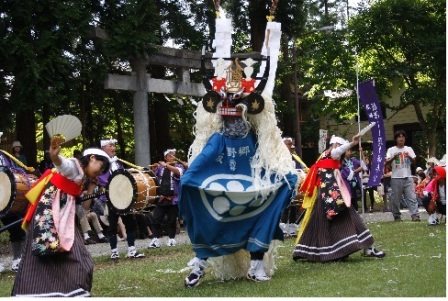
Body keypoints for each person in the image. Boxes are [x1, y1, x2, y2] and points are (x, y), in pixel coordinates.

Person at [11, 141, 110, 297]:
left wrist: (90, 188)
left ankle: (68, 291)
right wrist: (55, 155)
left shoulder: (84, 178)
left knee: (79, 258)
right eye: (101, 167)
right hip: (50, 214)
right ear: (91, 158)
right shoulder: (74, 166)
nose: (100, 172)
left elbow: (84, 207)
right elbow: (62, 164)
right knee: (69, 256)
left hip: (65, 218)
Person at [292, 134, 385, 262]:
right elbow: (337, 152)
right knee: (347, 216)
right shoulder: (331, 153)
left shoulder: (326, 155)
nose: (343, 153)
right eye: (342, 148)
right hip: (329, 192)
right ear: (336, 145)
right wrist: (352, 143)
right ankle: (365, 248)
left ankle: (309, 251)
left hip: (328, 191)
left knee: (321, 221)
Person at [98, 138, 145, 259]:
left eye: (114, 145)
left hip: (124, 197)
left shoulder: (117, 162)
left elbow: (124, 176)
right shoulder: (101, 163)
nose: (113, 148)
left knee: (130, 223)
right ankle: (114, 252)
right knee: (112, 226)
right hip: (111, 198)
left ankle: (131, 250)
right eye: (110, 145)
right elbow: (102, 180)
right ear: (103, 148)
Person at [148, 149, 184, 248]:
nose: (173, 157)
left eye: (174, 155)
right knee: (156, 219)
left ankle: (171, 239)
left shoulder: (178, 166)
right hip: (161, 198)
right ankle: (156, 239)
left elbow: (178, 173)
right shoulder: (160, 168)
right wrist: (154, 170)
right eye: (170, 155)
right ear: (165, 158)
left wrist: (166, 165)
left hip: (173, 199)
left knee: (171, 220)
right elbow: (154, 179)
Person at [0, 149, 26, 273]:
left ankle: (17, 259)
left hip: (5, 197)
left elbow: (13, 172)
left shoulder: (6, 155)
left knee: (15, 228)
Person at [385, 130, 420, 222]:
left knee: (412, 197)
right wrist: (393, 157)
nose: (401, 138)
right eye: (399, 137)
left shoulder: (409, 149)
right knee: (396, 199)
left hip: (408, 177)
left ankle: (415, 215)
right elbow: (386, 163)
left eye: (403, 137)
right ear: (396, 139)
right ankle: (397, 216)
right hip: (396, 178)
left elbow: (414, 162)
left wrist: (409, 157)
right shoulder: (391, 150)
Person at [340, 143, 366, 212]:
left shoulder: (353, 160)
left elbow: (364, 164)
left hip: (355, 183)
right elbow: (348, 175)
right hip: (346, 184)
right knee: (348, 200)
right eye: (347, 151)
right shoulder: (341, 162)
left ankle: (356, 214)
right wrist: (357, 170)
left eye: (349, 151)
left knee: (354, 200)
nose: (349, 152)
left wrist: (361, 153)